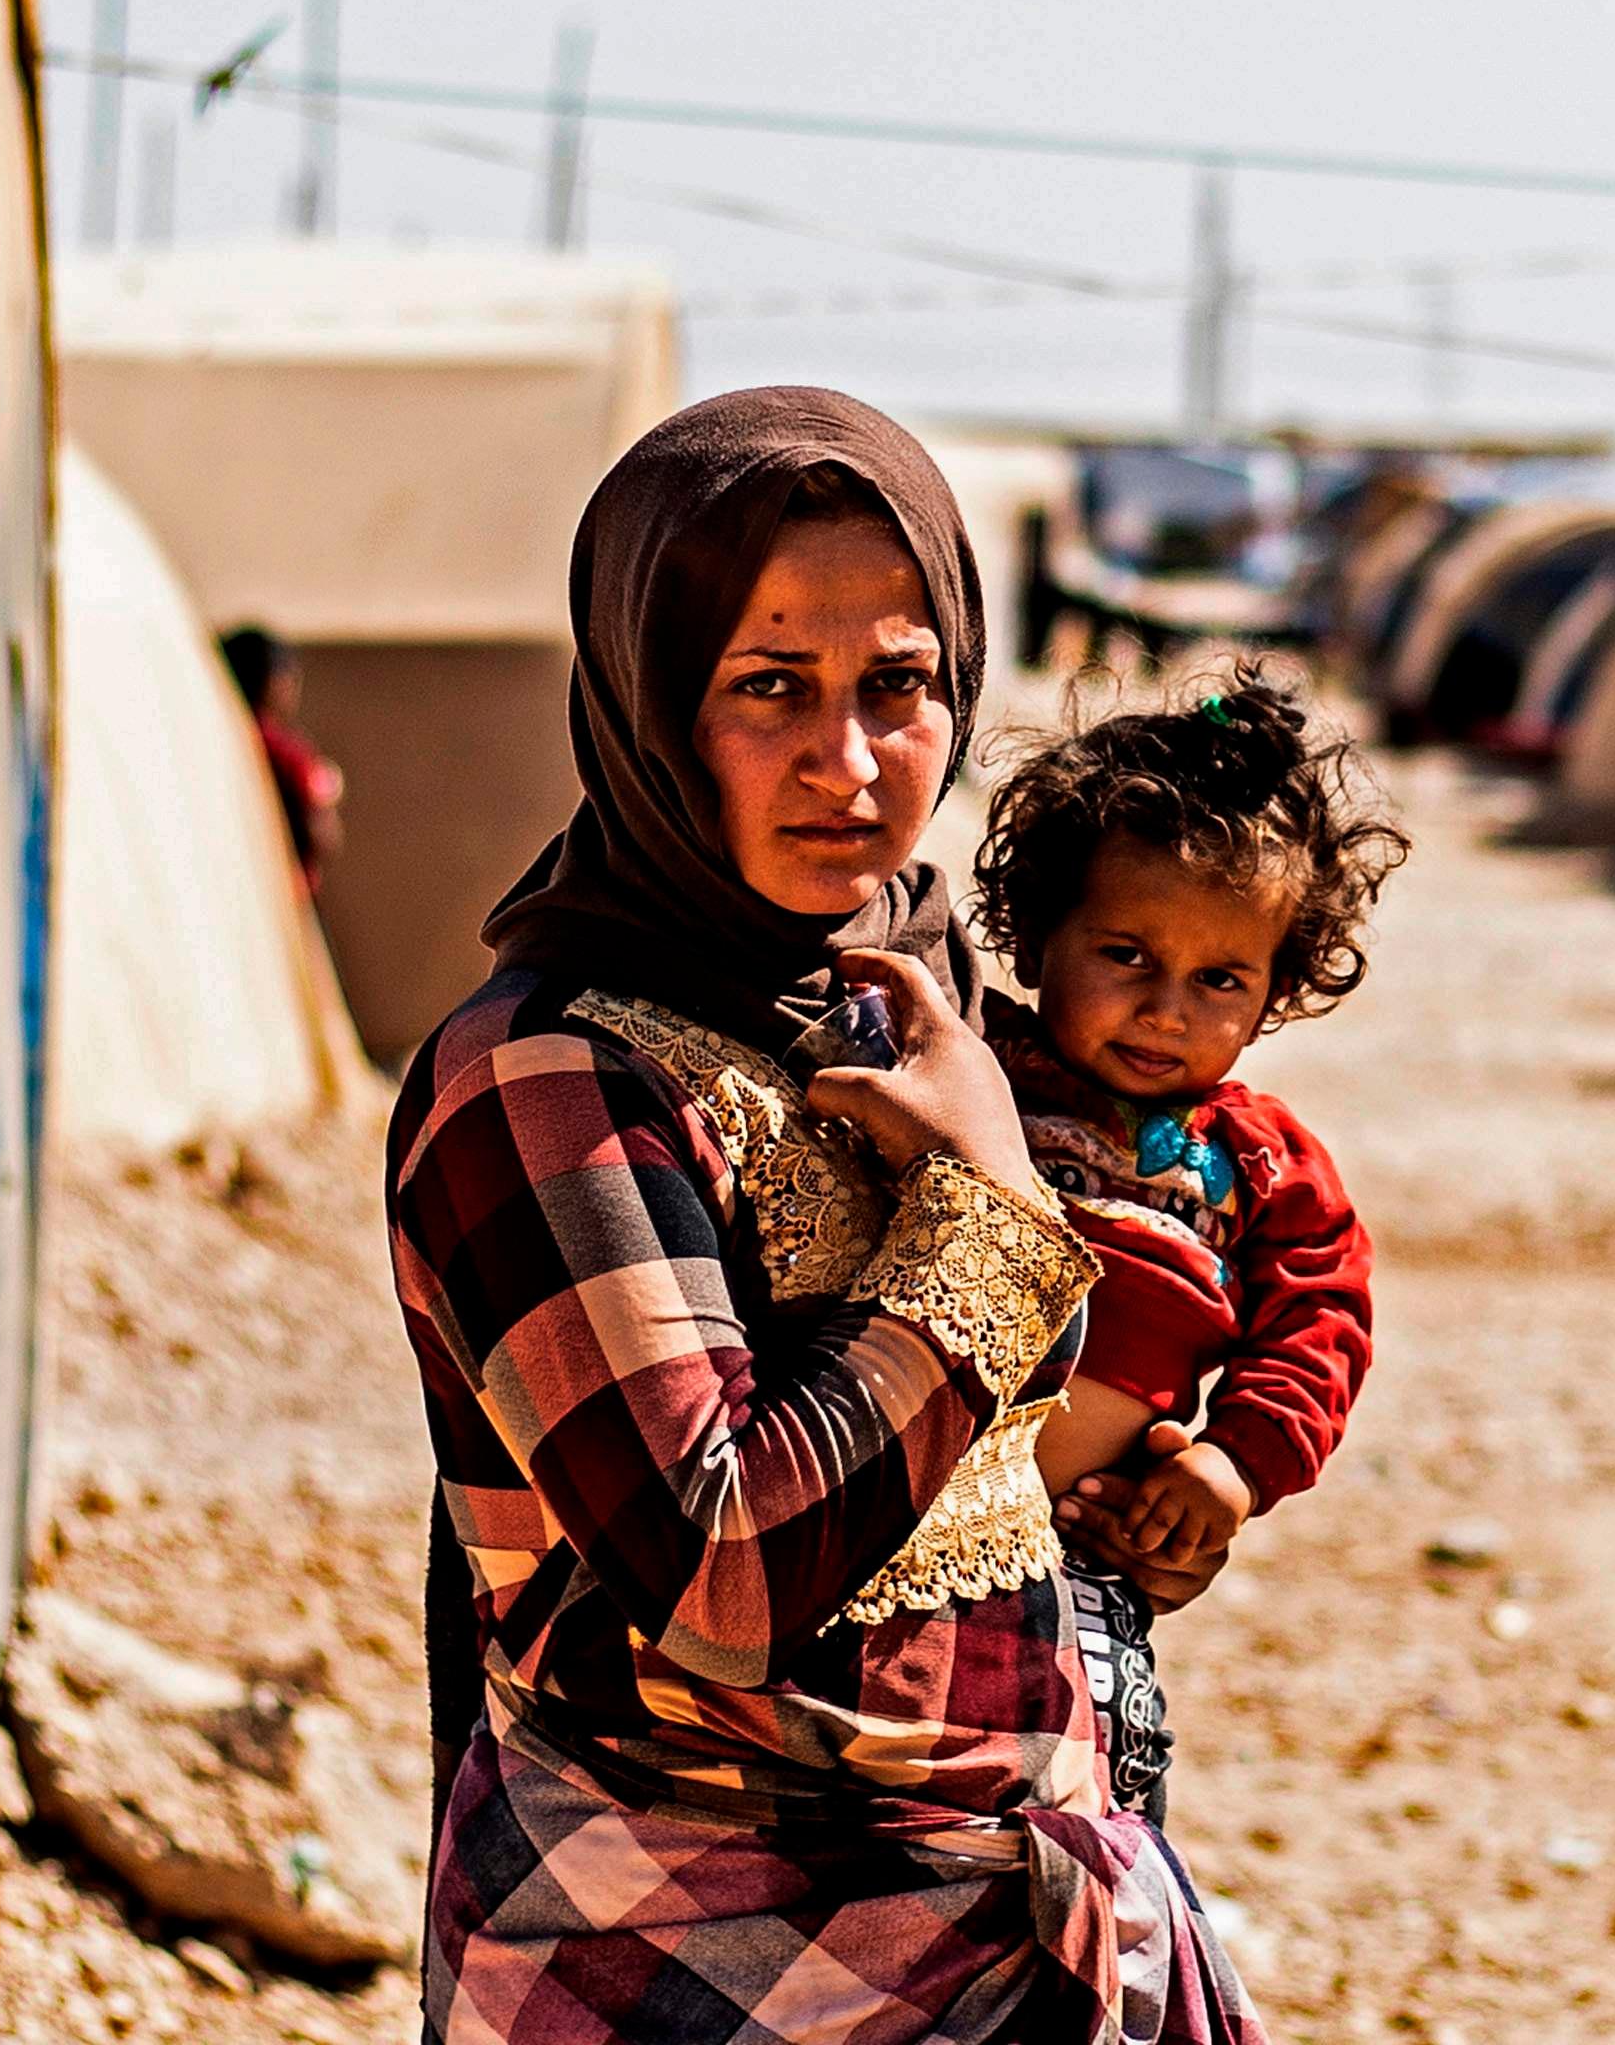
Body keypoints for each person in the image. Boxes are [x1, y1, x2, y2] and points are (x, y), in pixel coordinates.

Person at [383, 386, 1263, 2042]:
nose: (847, 764)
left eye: (900, 684)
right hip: (675, 1955)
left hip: (997, 1932)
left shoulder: (906, 988)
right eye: (768, 687)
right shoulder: (539, 1080)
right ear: (649, 701)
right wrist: (995, 1218)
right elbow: (723, 1566)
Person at [970, 670, 1402, 1823]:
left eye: (1221, 980)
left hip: (1090, 1556)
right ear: (1037, 935)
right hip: (897, 1518)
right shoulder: (975, 1073)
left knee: (1090, 1799)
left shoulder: (1259, 1161)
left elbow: (1322, 1323)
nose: (1168, 1009)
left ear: (1276, 992)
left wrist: (1231, 1466)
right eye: (1126, 957)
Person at [221, 620, 343, 891]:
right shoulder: (284, 752)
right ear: (273, 679)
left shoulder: (226, 732)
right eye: (288, 672)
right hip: (279, 886)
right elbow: (321, 835)